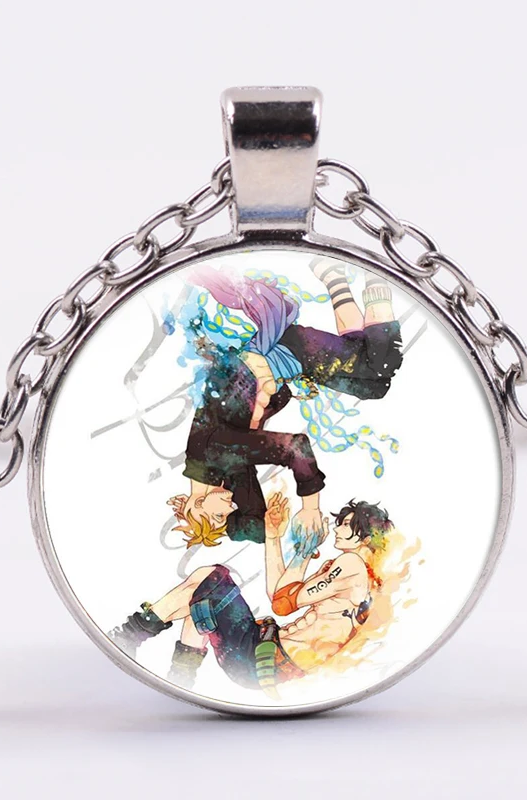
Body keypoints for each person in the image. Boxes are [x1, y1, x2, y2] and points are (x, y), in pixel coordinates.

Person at [170, 259, 403, 548]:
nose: (230, 508)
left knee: (381, 365)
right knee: (374, 387)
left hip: (289, 349)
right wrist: (225, 527)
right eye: (227, 516)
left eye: (219, 516)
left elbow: (295, 447)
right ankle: (335, 279)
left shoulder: (214, 452)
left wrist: (310, 508)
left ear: (197, 507)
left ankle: (375, 273)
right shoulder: (222, 473)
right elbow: (258, 526)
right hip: (292, 365)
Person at [109, 492, 394, 695]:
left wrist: (305, 551)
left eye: (346, 524)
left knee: (212, 577)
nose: (337, 527)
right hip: (261, 662)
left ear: (366, 537)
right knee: (202, 603)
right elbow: (279, 595)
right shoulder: (363, 576)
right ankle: (178, 680)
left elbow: (282, 605)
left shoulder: (351, 564)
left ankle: (130, 636)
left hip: (261, 659)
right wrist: (273, 535)